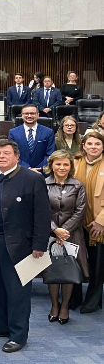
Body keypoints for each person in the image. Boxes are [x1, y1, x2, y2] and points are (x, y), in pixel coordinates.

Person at [0, 139, 50, 353]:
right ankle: (0, 326)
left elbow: (43, 215)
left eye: (6, 153)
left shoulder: (32, 179)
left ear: (17, 157)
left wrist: (39, 245)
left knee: (17, 292)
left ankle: (18, 335)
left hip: (19, 245)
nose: (1, 156)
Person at [44, 150, 87, 323]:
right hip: (49, 233)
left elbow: (80, 212)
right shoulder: (43, 184)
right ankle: (54, 304)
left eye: (65, 164)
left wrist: (64, 231)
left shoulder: (78, 185)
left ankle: (65, 306)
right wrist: (55, 230)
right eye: (58, 164)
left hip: (72, 233)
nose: (62, 167)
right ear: (51, 165)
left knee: (68, 270)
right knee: (52, 269)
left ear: (70, 167)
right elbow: (40, 210)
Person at [75, 132, 104, 314]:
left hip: (98, 224)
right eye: (90, 144)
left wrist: (101, 221)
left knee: (97, 264)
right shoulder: (75, 162)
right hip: (77, 222)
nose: (93, 147)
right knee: (76, 261)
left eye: (98, 144)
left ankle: (93, 300)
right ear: (83, 146)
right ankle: (74, 298)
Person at [7, 104, 55, 170]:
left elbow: (50, 154)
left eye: (32, 113)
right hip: (20, 171)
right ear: (22, 115)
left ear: (38, 115)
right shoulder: (13, 132)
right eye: (26, 113)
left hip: (42, 172)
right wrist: (28, 168)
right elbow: (12, 154)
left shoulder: (48, 132)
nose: (29, 116)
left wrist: (39, 169)